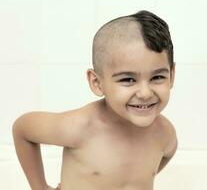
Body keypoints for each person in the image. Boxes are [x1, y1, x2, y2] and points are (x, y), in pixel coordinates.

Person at [13, 10, 177, 190]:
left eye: (157, 77)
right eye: (128, 79)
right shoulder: (80, 127)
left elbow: (167, 154)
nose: (145, 93)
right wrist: (40, 187)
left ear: (172, 75)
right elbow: (22, 129)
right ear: (97, 83)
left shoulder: (164, 133)